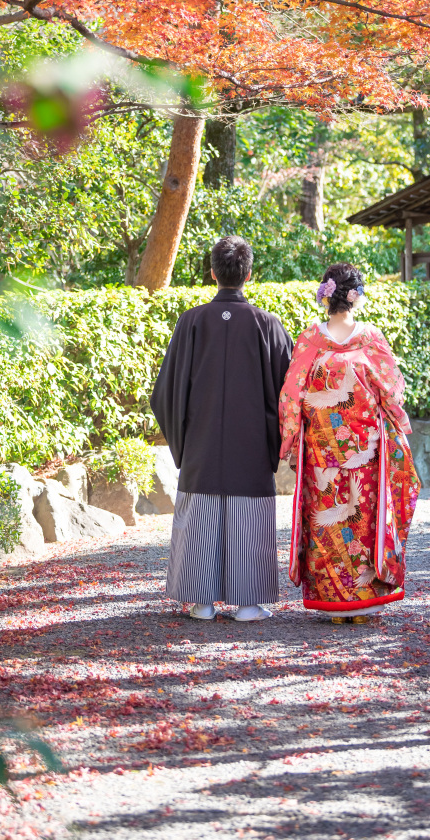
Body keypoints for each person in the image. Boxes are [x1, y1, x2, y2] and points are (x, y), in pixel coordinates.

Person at [150, 235, 293, 622]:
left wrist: (184, 441)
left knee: (200, 514)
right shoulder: (267, 324)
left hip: (202, 445)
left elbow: (165, 392)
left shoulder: (191, 321)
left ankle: (201, 602)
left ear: (213, 273)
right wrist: (276, 441)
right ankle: (248, 604)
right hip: (252, 447)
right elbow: (290, 392)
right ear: (249, 274)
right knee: (250, 518)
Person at [279, 262, 420, 624]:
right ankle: (363, 603)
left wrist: (291, 441)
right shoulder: (370, 338)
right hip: (365, 449)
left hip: (321, 452)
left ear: (326, 296)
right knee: (362, 518)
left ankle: (334, 603)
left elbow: (291, 396)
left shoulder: (310, 339)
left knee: (326, 523)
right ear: (355, 297)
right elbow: (392, 390)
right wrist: (397, 421)